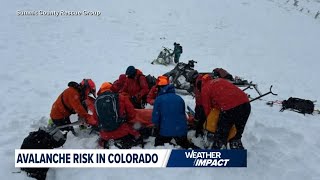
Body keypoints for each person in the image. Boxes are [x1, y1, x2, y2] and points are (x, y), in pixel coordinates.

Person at [201, 75, 251, 149]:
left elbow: (207, 108)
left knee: (220, 137)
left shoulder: (205, 88)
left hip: (230, 108)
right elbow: (223, 96)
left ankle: (217, 154)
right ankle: (238, 156)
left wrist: (207, 122)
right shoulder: (221, 80)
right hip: (246, 104)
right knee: (236, 135)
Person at [95, 82, 141, 149]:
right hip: (122, 132)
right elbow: (132, 113)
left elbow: (95, 118)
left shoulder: (96, 102)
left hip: (105, 135)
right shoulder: (121, 97)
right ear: (112, 88)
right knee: (138, 135)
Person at [152, 84, 190, 149]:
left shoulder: (159, 99)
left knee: (158, 145)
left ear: (161, 89)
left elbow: (155, 118)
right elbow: (183, 115)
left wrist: (156, 128)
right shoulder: (179, 98)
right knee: (185, 146)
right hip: (181, 131)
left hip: (165, 133)